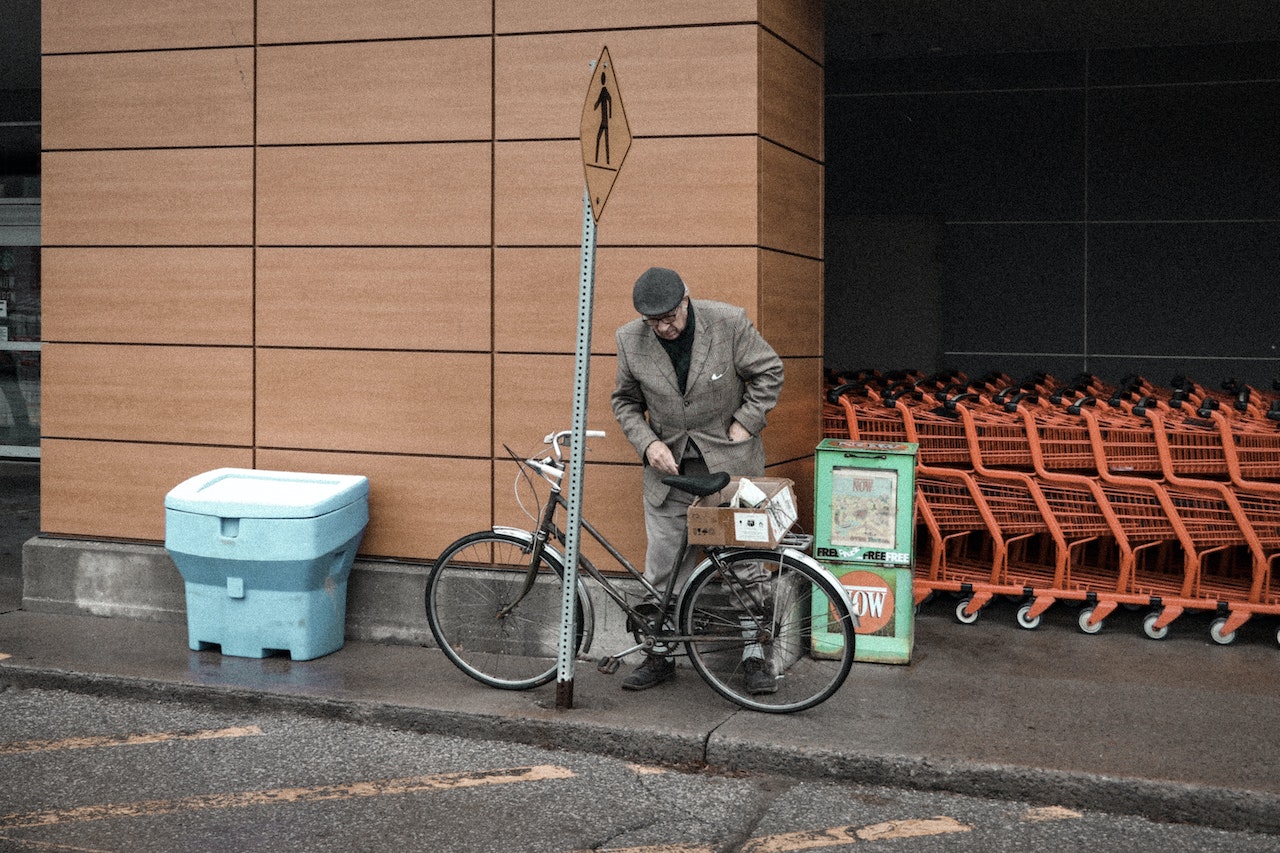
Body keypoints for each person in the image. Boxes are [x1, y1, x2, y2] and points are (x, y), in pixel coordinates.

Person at [611, 266, 784, 692]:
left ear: (686, 300)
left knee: (743, 563)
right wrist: (648, 444)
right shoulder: (629, 340)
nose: (665, 328)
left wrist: (746, 421)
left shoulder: (728, 322)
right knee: (664, 564)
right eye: (655, 323)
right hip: (669, 470)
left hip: (729, 463)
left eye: (670, 317)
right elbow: (625, 402)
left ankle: (755, 653)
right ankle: (660, 654)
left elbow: (769, 371)